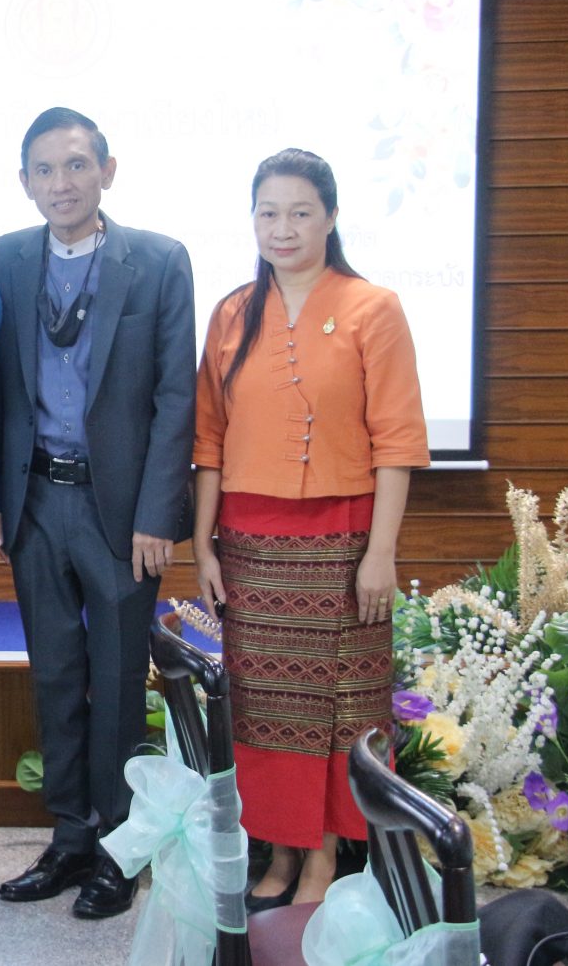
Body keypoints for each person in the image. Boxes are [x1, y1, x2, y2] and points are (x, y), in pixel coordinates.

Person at [193, 148, 428, 908]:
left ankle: (323, 858)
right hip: (250, 545)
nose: (283, 228)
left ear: (330, 217)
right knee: (267, 709)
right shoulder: (232, 312)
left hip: (343, 538)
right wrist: (202, 543)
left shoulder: (372, 307)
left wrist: (381, 553)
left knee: (336, 709)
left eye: (300, 212)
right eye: (268, 212)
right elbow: (208, 440)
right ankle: (280, 849)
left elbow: (397, 443)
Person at [0, 107, 195, 920]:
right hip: (36, 501)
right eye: (43, 169)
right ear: (24, 181)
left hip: (123, 514)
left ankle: (117, 846)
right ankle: (69, 834)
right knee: (55, 673)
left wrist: (159, 514)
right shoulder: (5, 259)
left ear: (107, 169)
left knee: (116, 677)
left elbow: (175, 396)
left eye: (76, 165)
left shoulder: (159, 260)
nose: (60, 183)